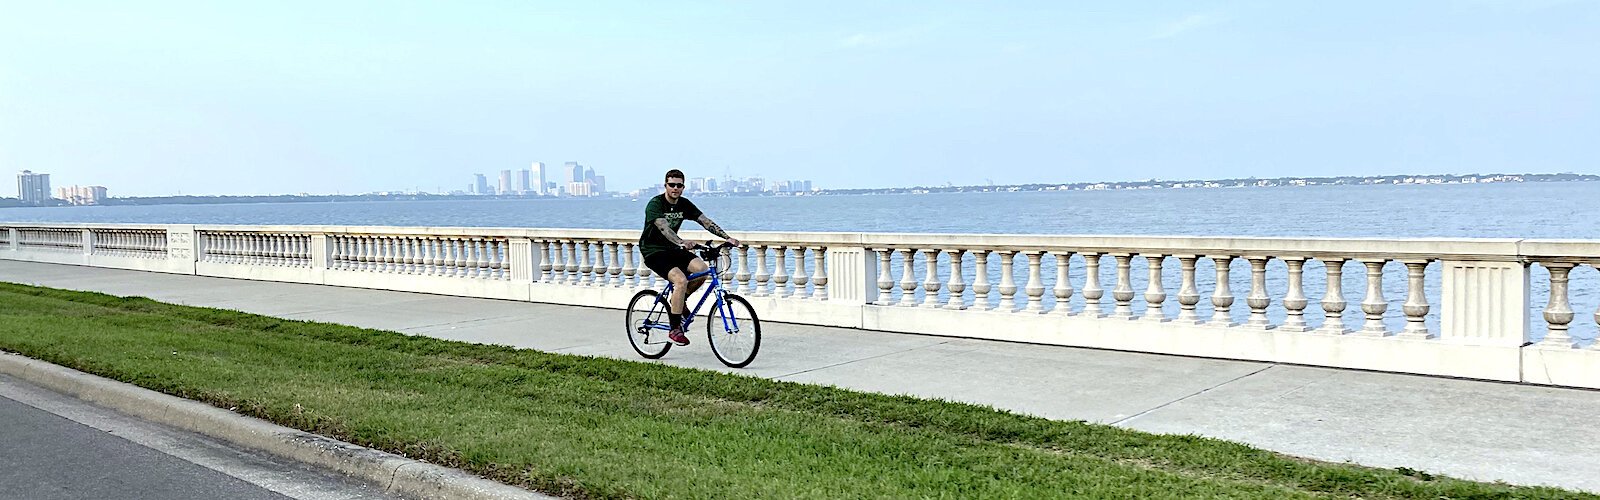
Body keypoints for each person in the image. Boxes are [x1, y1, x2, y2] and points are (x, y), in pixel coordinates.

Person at [639, 169, 740, 346]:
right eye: (672, 185)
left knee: (702, 271)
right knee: (680, 280)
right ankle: (675, 329)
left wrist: (727, 238)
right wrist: (681, 242)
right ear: (665, 186)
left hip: (673, 248)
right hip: (653, 251)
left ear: (683, 187)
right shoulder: (655, 204)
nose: (675, 188)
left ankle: (680, 299)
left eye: (679, 185)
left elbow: (705, 221)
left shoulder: (684, 204)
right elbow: (664, 228)